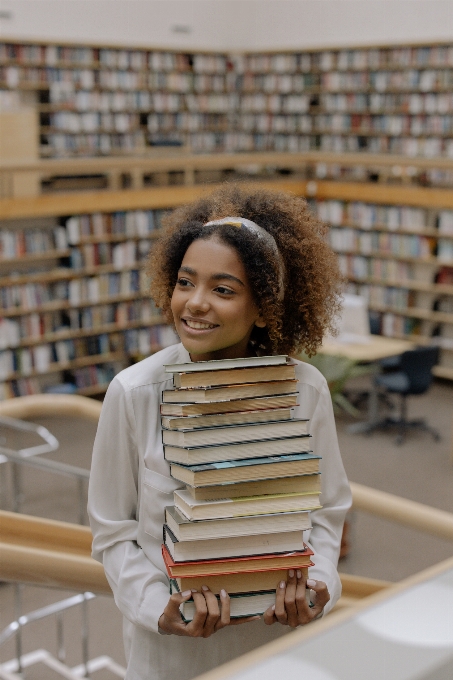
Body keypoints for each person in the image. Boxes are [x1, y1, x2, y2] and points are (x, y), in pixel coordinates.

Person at [88, 184, 352, 680]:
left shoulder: (306, 390)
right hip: (173, 653)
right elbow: (112, 529)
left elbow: (328, 510)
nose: (195, 303)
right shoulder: (134, 393)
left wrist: (318, 587)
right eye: (185, 282)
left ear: (265, 307)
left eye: (223, 289)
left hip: (275, 643)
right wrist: (155, 607)